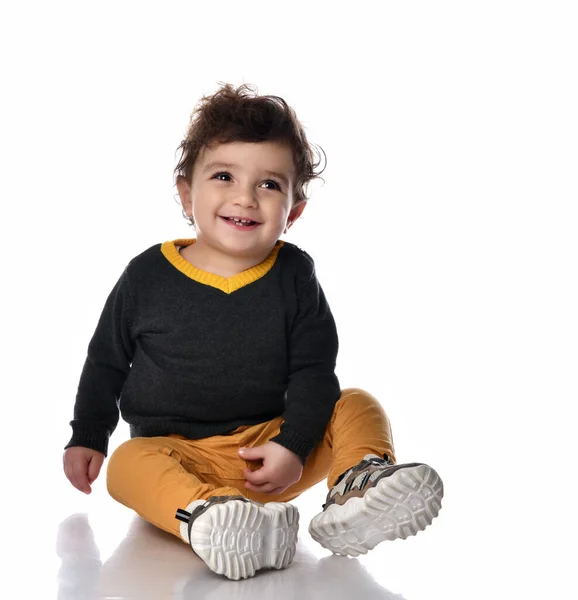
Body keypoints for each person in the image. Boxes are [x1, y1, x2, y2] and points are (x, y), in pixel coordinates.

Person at [63, 83, 444, 581]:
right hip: (178, 454)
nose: (245, 197)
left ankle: (357, 486)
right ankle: (207, 516)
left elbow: (313, 371)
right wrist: (88, 434)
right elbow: (106, 362)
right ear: (186, 193)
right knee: (128, 465)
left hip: (271, 453)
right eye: (224, 176)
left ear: (295, 211)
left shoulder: (294, 275)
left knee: (357, 403)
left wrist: (294, 443)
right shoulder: (147, 275)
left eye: (269, 185)